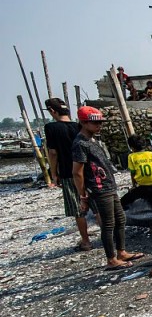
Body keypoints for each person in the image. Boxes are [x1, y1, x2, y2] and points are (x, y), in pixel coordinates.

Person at [72, 106, 143, 270]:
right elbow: (77, 172)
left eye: (100, 123)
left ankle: (121, 252)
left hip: (108, 186)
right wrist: (83, 195)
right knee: (108, 223)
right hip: (99, 188)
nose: (99, 126)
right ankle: (111, 258)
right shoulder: (80, 143)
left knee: (120, 219)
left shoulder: (92, 140)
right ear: (83, 123)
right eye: (95, 123)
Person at [44, 97, 95, 252]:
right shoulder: (78, 126)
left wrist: (53, 173)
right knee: (96, 204)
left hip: (68, 172)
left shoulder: (51, 128)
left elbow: (53, 153)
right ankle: (109, 236)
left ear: (53, 111)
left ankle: (86, 241)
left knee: (77, 207)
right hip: (87, 170)